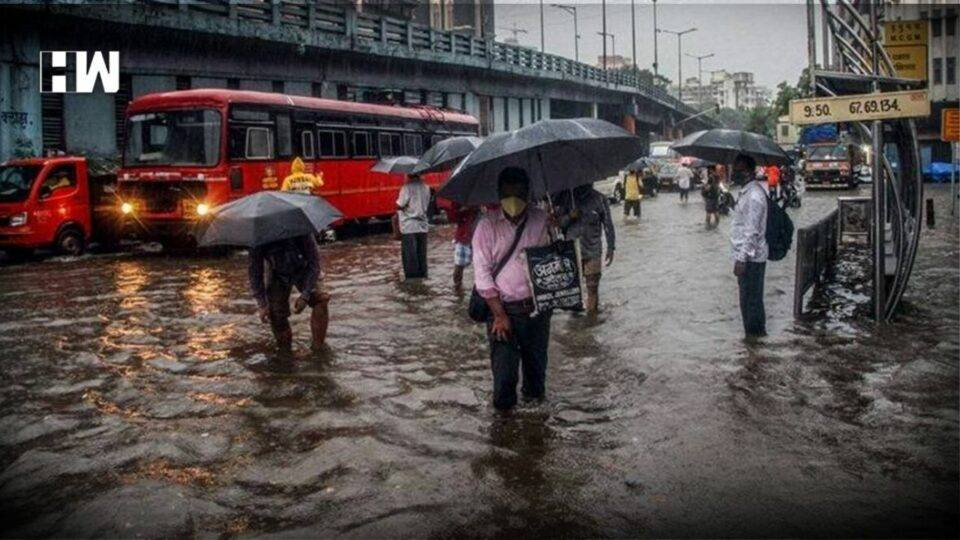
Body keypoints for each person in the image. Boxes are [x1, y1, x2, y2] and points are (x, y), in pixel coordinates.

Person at [472, 167, 552, 411]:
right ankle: (504, 435)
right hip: (503, 312)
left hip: (537, 313)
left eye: (519, 193)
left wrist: (559, 232)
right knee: (504, 384)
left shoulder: (542, 219)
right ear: (498, 195)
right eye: (508, 193)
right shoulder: (486, 227)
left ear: (528, 193)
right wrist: (499, 315)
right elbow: (482, 275)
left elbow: (553, 263)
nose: (513, 200)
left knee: (536, 382)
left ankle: (534, 435)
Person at [249, 234, 330, 352]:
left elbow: (314, 264)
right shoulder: (258, 238)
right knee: (275, 313)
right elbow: (255, 273)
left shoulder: (300, 229)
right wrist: (262, 304)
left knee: (321, 299)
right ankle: (285, 352)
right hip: (276, 273)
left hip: (304, 267)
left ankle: (318, 347)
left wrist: (305, 295)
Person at [554, 184, 616, 314]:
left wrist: (611, 247)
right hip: (572, 252)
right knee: (573, 290)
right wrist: (570, 216)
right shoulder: (566, 198)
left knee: (592, 287)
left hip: (593, 251)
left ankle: (591, 321)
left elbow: (608, 224)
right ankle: (576, 321)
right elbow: (558, 224)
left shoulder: (600, 199)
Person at [730, 154, 768, 338]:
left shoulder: (754, 196)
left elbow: (752, 232)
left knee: (751, 303)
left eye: (738, 169)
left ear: (747, 172)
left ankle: (755, 340)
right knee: (748, 302)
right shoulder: (747, 193)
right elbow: (743, 223)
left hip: (751, 259)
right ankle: (754, 346)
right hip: (746, 257)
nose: (734, 173)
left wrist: (741, 259)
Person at [396, 174, 431, 279]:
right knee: (421, 255)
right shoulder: (426, 187)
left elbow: (399, 205)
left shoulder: (407, 188)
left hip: (409, 226)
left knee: (410, 257)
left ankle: (412, 283)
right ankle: (423, 278)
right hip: (423, 226)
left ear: (409, 175)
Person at [448, 203, 479, 289]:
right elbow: (451, 218)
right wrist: (464, 209)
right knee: (459, 265)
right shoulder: (460, 199)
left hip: (482, 237)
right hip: (464, 237)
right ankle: (457, 288)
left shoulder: (487, 199)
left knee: (483, 266)